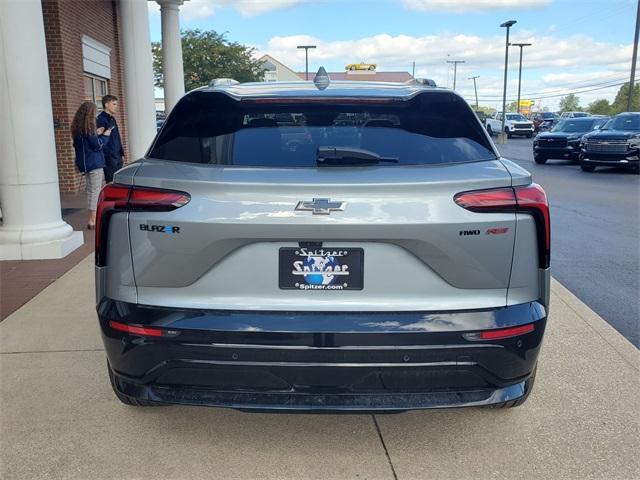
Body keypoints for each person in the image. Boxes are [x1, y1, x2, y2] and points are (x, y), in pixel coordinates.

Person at [71, 101, 111, 229]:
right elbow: (97, 145)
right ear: (90, 114)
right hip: (95, 163)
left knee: (90, 191)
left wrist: (97, 133)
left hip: (84, 163)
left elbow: (85, 144)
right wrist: (105, 136)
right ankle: (93, 220)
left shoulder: (78, 129)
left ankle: (91, 218)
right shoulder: (89, 129)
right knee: (95, 191)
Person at [97, 94, 124, 183]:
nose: (116, 107)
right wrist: (109, 154)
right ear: (106, 105)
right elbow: (101, 139)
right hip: (109, 156)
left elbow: (115, 137)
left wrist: (120, 153)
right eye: (114, 104)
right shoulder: (100, 119)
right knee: (112, 182)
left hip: (117, 155)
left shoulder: (112, 118)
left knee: (119, 181)